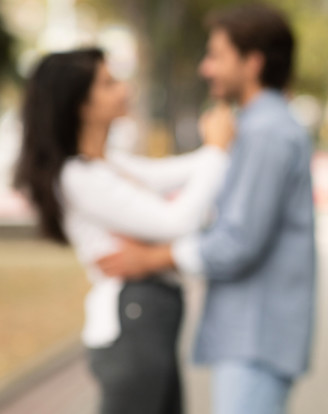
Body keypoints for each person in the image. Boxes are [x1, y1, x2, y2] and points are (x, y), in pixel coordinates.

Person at [96, 4, 316, 414]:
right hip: (251, 335)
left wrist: (151, 258)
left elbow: (238, 242)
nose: (205, 68)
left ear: (252, 63)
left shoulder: (267, 134)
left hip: (256, 337)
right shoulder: (254, 128)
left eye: (216, 55)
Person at [14, 48, 234, 414]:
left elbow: (178, 173)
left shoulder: (106, 164)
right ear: (80, 104)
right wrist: (217, 149)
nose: (123, 89)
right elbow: (176, 221)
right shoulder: (78, 177)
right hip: (134, 320)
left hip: (148, 321)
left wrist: (217, 145)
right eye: (108, 84)